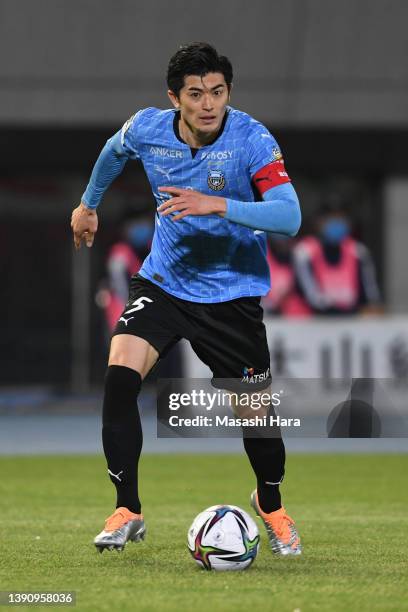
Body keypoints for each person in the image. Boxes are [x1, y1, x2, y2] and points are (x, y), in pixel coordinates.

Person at [71, 42, 302, 556]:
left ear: (228, 93)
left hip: (232, 297)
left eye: (217, 92)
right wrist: (89, 204)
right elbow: (113, 151)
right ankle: (127, 509)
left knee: (258, 417)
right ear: (173, 97)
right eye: (195, 94)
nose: (208, 104)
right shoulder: (149, 129)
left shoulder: (251, 140)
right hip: (165, 285)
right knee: (118, 379)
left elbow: (289, 217)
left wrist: (216, 204)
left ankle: (271, 504)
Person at [293, 201, 382, 315]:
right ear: (317, 222)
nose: (336, 223)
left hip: (354, 322)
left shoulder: (359, 252)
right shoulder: (305, 252)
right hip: (314, 322)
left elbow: (372, 297)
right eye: (330, 219)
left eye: (340, 218)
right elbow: (311, 297)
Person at [263, 233, 311, 316]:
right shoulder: (263, 257)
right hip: (270, 316)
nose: (282, 245)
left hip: (298, 315)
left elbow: (309, 292)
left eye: (286, 241)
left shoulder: (298, 259)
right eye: (279, 242)